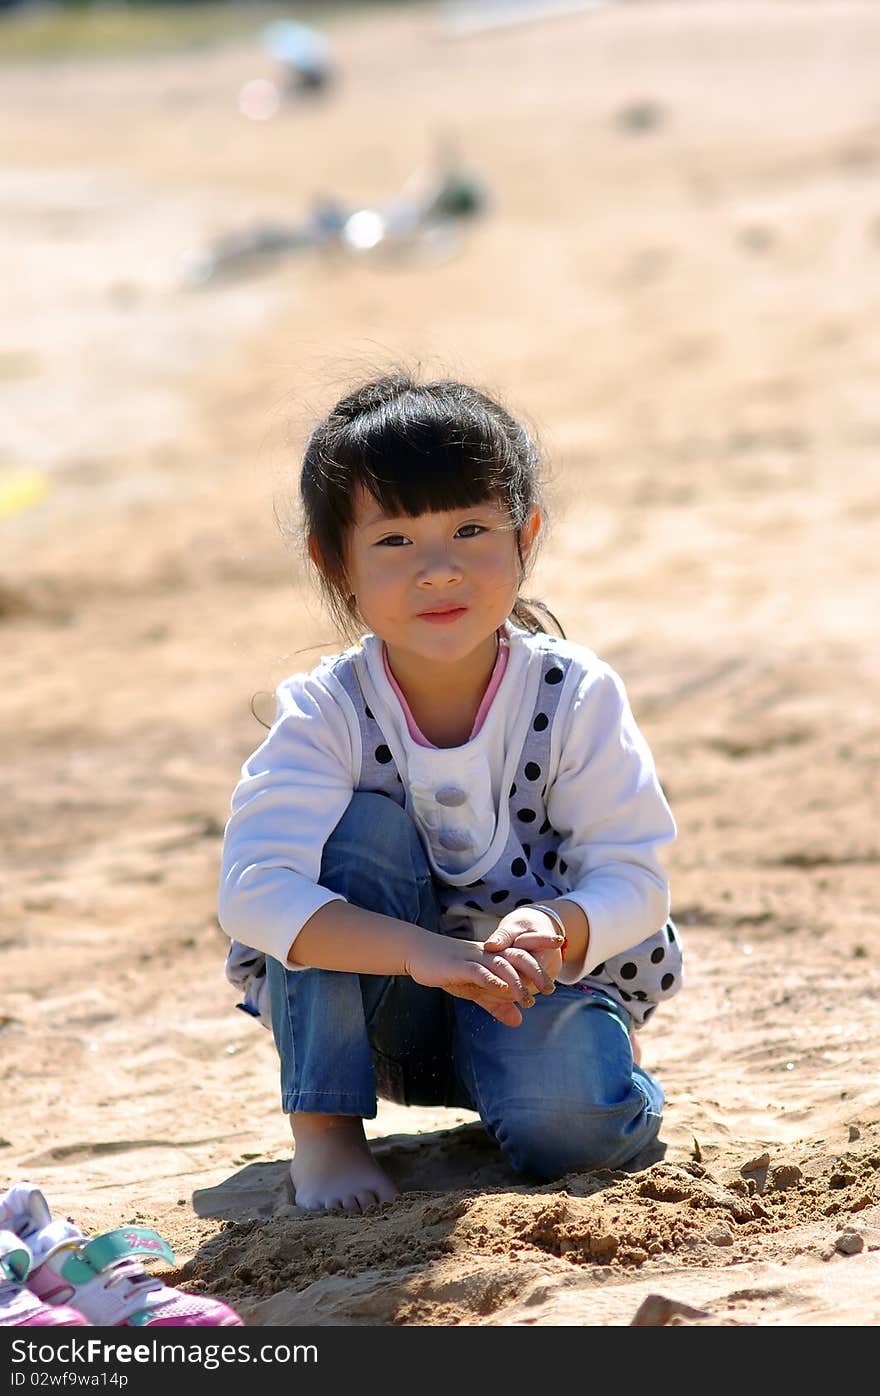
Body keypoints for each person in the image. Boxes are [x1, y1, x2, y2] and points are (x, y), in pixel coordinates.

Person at [218, 372, 682, 1215]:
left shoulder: (572, 693)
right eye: (394, 540)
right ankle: (324, 1132)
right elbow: (254, 893)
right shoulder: (328, 712)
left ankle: (600, 1072)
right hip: (380, 1016)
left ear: (526, 535)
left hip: (531, 993)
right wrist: (419, 952)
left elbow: (637, 878)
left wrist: (555, 924)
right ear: (335, 560)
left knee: (577, 1136)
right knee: (354, 833)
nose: (438, 570)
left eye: (471, 529)